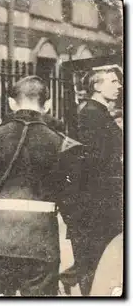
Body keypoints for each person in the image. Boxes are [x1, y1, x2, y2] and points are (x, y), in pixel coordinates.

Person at [0, 76, 83, 296]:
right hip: (40, 245)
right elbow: (73, 209)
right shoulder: (62, 145)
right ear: (48, 105)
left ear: (11, 102)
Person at [60, 67, 123, 296]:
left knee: (96, 263)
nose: (119, 86)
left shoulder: (99, 112)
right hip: (95, 207)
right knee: (94, 266)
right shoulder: (91, 115)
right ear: (97, 86)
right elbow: (91, 165)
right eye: (113, 82)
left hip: (100, 205)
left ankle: (71, 278)